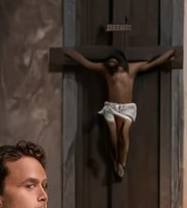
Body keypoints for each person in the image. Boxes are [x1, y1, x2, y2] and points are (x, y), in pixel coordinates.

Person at [62, 45, 176, 178]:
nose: (110, 66)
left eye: (113, 62)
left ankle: (123, 162)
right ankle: (116, 160)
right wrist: (68, 52)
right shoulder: (106, 70)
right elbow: (87, 64)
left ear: (120, 61)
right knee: (113, 136)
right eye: (109, 63)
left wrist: (169, 54)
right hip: (111, 107)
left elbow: (151, 64)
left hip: (127, 108)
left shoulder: (132, 69)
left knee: (124, 133)